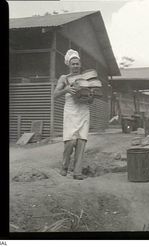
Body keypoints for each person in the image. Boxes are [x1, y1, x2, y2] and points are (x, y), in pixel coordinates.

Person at [53, 49, 94, 180]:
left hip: (83, 111)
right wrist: (66, 89)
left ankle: (77, 172)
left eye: (77, 64)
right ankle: (64, 166)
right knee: (70, 141)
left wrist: (91, 96)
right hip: (70, 111)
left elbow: (92, 100)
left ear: (80, 64)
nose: (75, 66)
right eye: (73, 64)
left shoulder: (86, 78)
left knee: (81, 141)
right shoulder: (64, 78)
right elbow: (54, 95)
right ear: (69, 65)